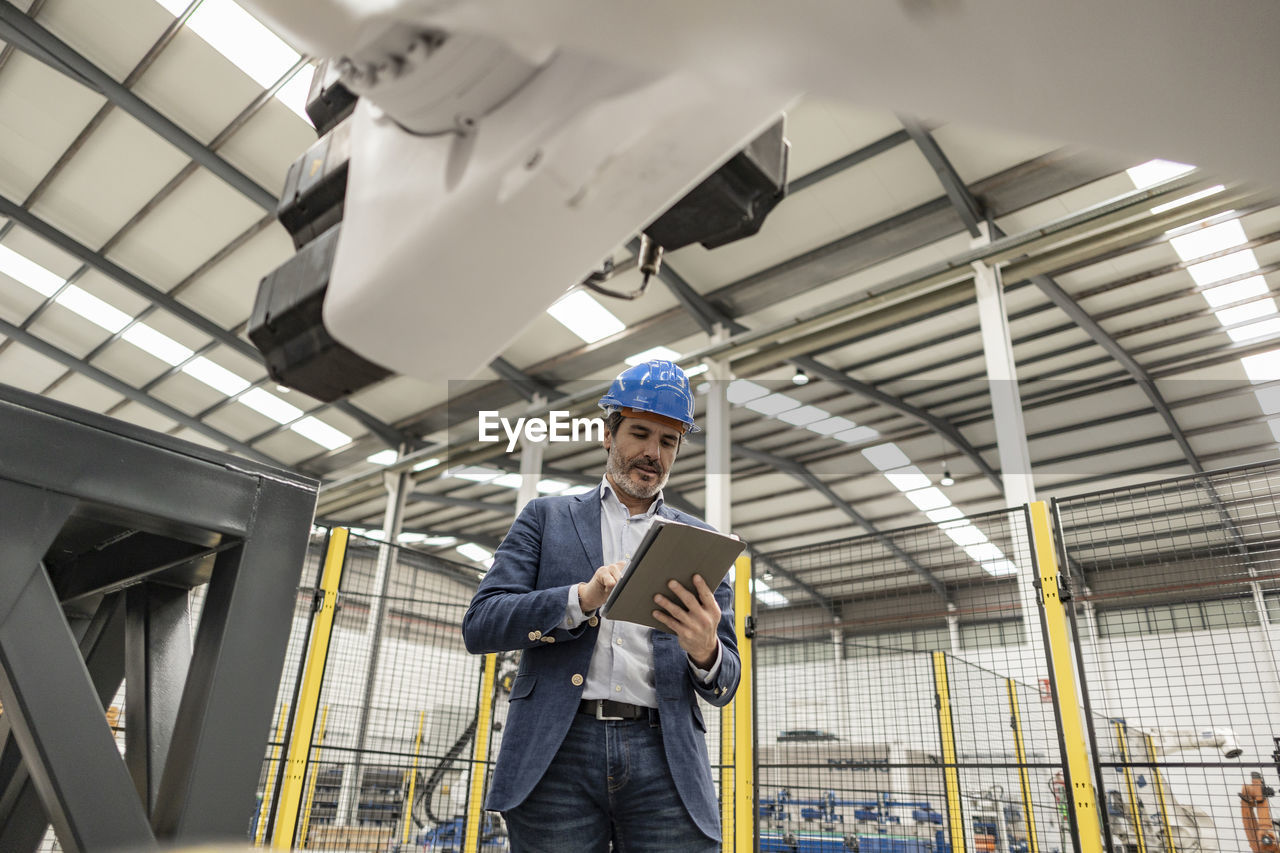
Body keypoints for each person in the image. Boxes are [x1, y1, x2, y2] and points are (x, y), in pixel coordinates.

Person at [462, 359, 740, 852]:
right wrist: (579, 600)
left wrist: (704, 652)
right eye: (640, 433)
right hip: (558, 751)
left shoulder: (702, 543)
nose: (653, 452)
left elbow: (725, 684)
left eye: (668, 441)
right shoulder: (546, 519)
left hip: (665, 755)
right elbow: (481, 625)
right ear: (608, 435)